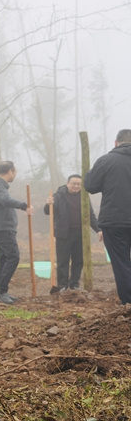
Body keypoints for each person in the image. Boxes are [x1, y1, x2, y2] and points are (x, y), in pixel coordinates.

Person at [84, 129, 131, 305]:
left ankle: (128, 302)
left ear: (116, 142)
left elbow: (90, 185)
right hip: (115, 220)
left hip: (115, 221)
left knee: (121, 262)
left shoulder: (106, 161)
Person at [43, 174, 102, 293]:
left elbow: (90, 215)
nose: (76, 186)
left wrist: (98, 229)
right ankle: (62, 285)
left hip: (81, 233)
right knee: (63, 260)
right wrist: (48, 203)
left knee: (78, 260)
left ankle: (74, 284)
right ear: (67, 183)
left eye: (78, 184)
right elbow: (47, 211)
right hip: (64, 233)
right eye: (73, 183)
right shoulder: (59, 195)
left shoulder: (84, 197)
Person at [0, 161, 34, 304]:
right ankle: (2, 290)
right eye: (15, 172)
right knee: (13, 256)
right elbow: (5, 200)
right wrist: (24, 205)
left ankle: (0, 292)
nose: (15, 175)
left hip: (4, 228)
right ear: (10, 171)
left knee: (2, 259)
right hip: (3, 229)